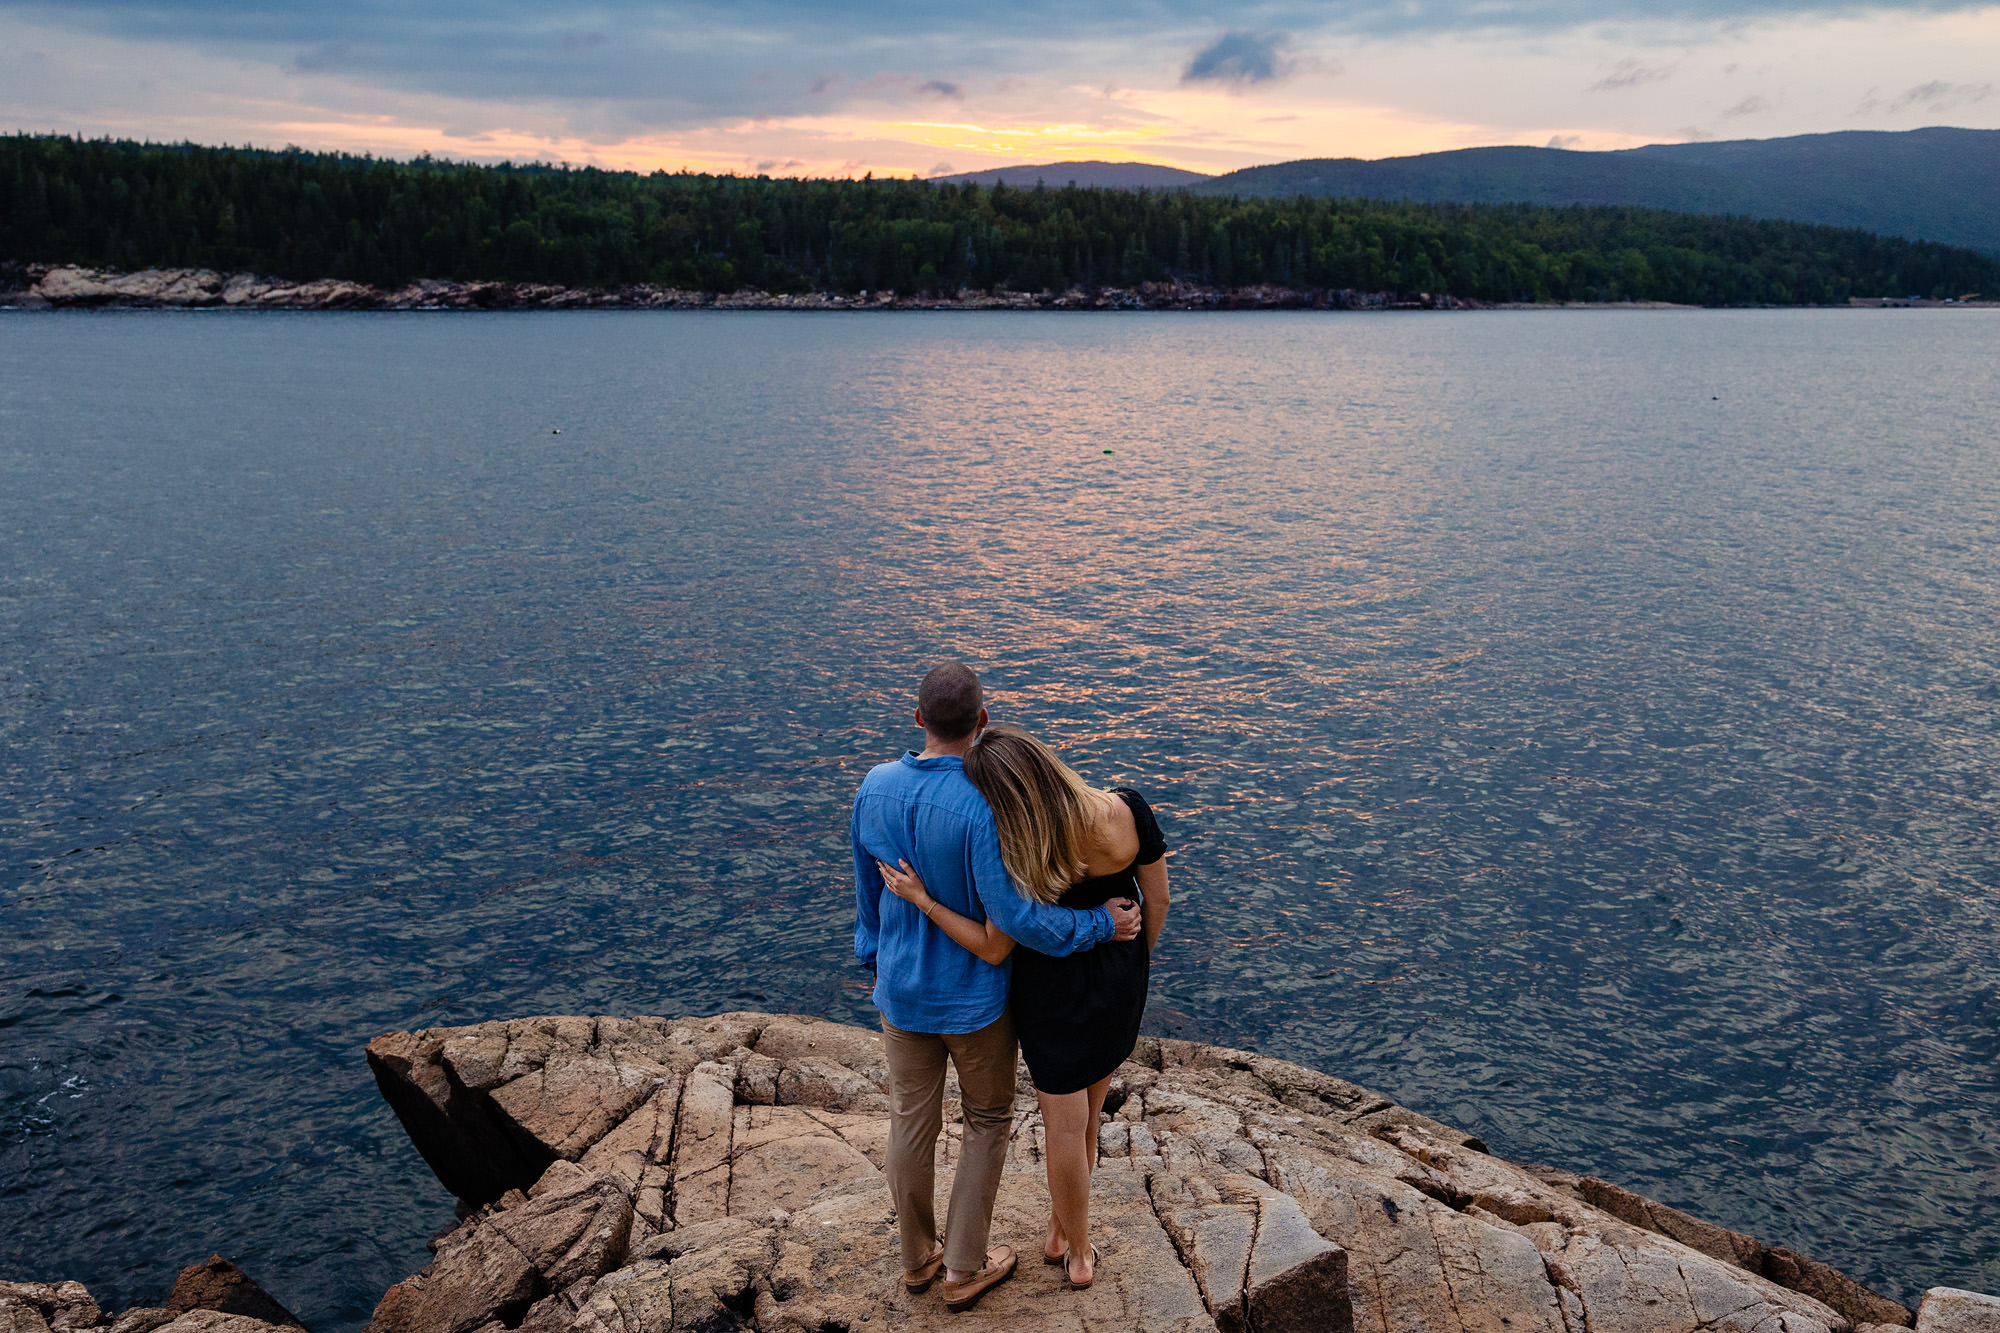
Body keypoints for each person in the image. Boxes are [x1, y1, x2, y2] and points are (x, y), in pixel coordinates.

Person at [852, 664, 1143, 1313]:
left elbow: (866, 896)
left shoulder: (873, 788)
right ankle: (962, 1267)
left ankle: (917, 1259)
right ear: (981, 722)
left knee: (910, 1123)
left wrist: (876, 958)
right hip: (976, 1001)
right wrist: (1102, 921)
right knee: (986, 1122)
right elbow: (1014, 921)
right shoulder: (984, 803)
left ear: (918, 717)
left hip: (900, 993)